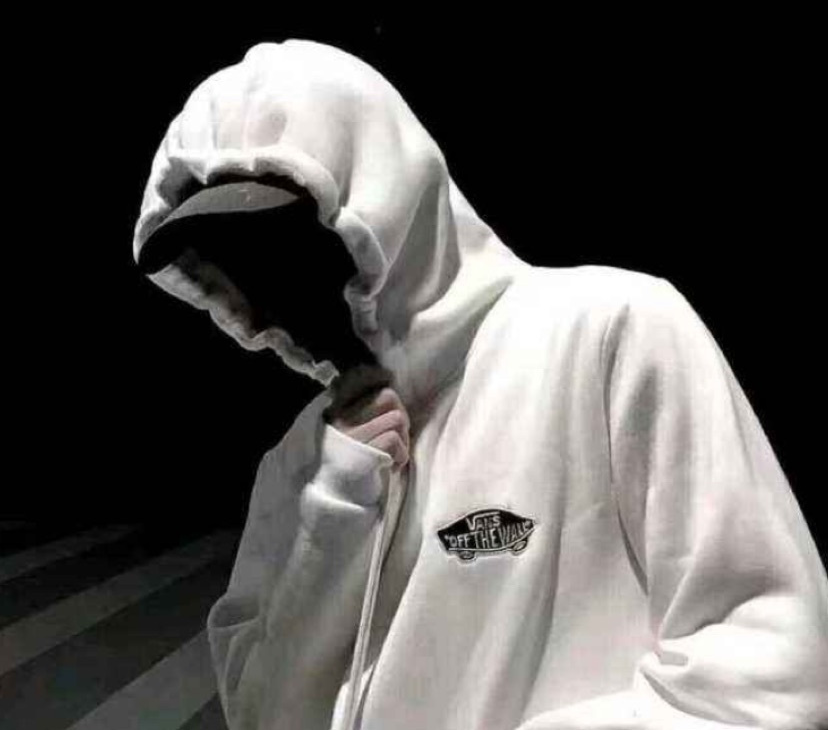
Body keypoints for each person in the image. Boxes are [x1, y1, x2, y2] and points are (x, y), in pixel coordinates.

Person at [132, 39, 828, 730]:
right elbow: (261, 716)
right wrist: (333, 507)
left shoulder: (609, 333)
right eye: (228, 261)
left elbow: (767, 675)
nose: (264, 283)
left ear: (385, 194)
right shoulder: (302, 459)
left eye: (284, 232)